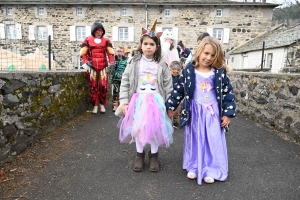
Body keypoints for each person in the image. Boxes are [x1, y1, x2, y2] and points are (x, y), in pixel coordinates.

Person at [165, 36, 236, 185]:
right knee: (194, 139)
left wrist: (227, 114)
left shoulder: (219, 72)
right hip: (194, 113)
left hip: (212, 113)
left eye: (212, 55)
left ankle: (212, 168)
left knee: (213, 140)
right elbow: (179, 90)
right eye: (206, 53)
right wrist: (171, 106)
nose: (208, 58)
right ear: (199, 52)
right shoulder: (189, 71)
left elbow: (227, 93)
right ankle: (194, 166)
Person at [115, 19, 174, 172]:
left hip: (157, 101)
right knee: (138, 128)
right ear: (141, 45)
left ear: (157, 47)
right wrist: (123, 102)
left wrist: (170, 105)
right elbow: (125, 83)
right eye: (146, 44)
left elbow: (168, 85)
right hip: (138, 101)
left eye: (152, 44)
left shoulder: (162, 64)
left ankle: (154, 156)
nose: (149, 47)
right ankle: (139, 155)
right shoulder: (134, 62)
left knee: (155, 129)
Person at [80, 21, 115, 114]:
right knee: (93, 87)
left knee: (103, 87)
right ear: (94, 31)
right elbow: (83, 53)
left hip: (103, 66)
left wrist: (112, 63)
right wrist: (86, 62)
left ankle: (102, 104)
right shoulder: (87, 40)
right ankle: (95, 106)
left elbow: (110, 53)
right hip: (92, 68)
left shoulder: (106, 40)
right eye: (97, 30)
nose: (99, 32)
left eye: (101, 31)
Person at [110, 46, 128, 112]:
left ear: (123, 52)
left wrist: (124, 75)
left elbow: (127, 69)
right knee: (115, 93)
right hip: (115, 79)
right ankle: (115, 106)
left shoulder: (126, 60)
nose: (119, 53)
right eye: (117, 51)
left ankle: (122, 106)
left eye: (120, 51)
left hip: (123, 80)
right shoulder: (113, 60)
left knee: (123, 93)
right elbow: (111, 71)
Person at [169, 60, 182, 129]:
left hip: (177, 96)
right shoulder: (168, 77)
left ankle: (175, 121)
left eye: (177, 72)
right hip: (169, 95)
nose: (175, 73)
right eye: (173, 71)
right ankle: (166, 121)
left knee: (177, 109)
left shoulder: (180, 77)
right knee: (167, 108)